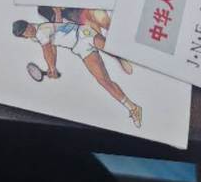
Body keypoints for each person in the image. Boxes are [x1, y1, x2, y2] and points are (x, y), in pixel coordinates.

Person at [13, 7, 144, 127]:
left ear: (29, 24)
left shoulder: (41, 32)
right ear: (24, 36)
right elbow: (52, 46)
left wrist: (52, 68)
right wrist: (53, 66)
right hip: (79, 47)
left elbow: (47, 50)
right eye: (25, 32)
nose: (28, 30)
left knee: (112, 48)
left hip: (82, 33)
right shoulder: (36, 37)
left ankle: (133, 56)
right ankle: (133, 108)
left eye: (27, 27)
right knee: (103, 81)